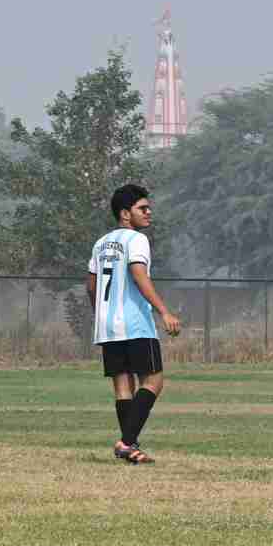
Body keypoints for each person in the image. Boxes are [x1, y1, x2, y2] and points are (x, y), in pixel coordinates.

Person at [87, 183, 182, 464]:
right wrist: (163, 311)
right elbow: (139, 275)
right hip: (134, 323)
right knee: (154, 380)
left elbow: (91, 286)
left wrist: (101, 313)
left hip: (107, 325)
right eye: (143, 208)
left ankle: (132, 448)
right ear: (125, 214)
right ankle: (126, 442)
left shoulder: (100, 243)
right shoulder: (137, 240)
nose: (149, 212)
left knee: (122, 386)